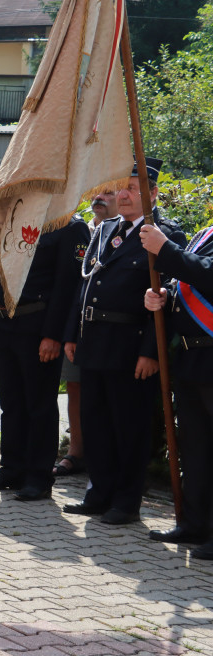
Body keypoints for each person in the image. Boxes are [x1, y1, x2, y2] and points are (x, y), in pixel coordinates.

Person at [62, 158, 185, 524]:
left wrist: (152, 351)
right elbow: (85, 284)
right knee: (95, 422)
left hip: (131, 346)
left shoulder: (164, 234)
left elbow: (167, 300)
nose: (124, 195)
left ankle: (126, 501)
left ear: (153, 193)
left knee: (128, 426)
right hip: (95, 341)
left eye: (133, 188)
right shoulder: (106, 229)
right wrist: (72, 333)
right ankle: (98, 492)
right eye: (121, 187)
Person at [0, 216, 90, 500]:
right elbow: (3, 268)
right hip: (7, 323)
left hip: (38, 328)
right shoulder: (21, 214)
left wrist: (53, 335)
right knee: (11, 404)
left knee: (39, 406)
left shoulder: (69, 226)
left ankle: (38, 477)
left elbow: (67, 286)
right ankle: (11, 470)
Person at [141, 216, 213, 559]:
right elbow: (191, 284)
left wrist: (165, 248)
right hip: (192, 356)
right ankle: (194, 524)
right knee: (195, 449)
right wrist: (166, 296)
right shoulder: (205, 234)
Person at [54, 189, 117, 477]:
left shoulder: (127, 233)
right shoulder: (81, 228)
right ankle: (76, 452)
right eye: (97, 191)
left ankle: (107, 459)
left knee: (110, 394)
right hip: (75, 325)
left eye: (109, 192)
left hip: (112, 331)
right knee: (76, 387)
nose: (99, 197)